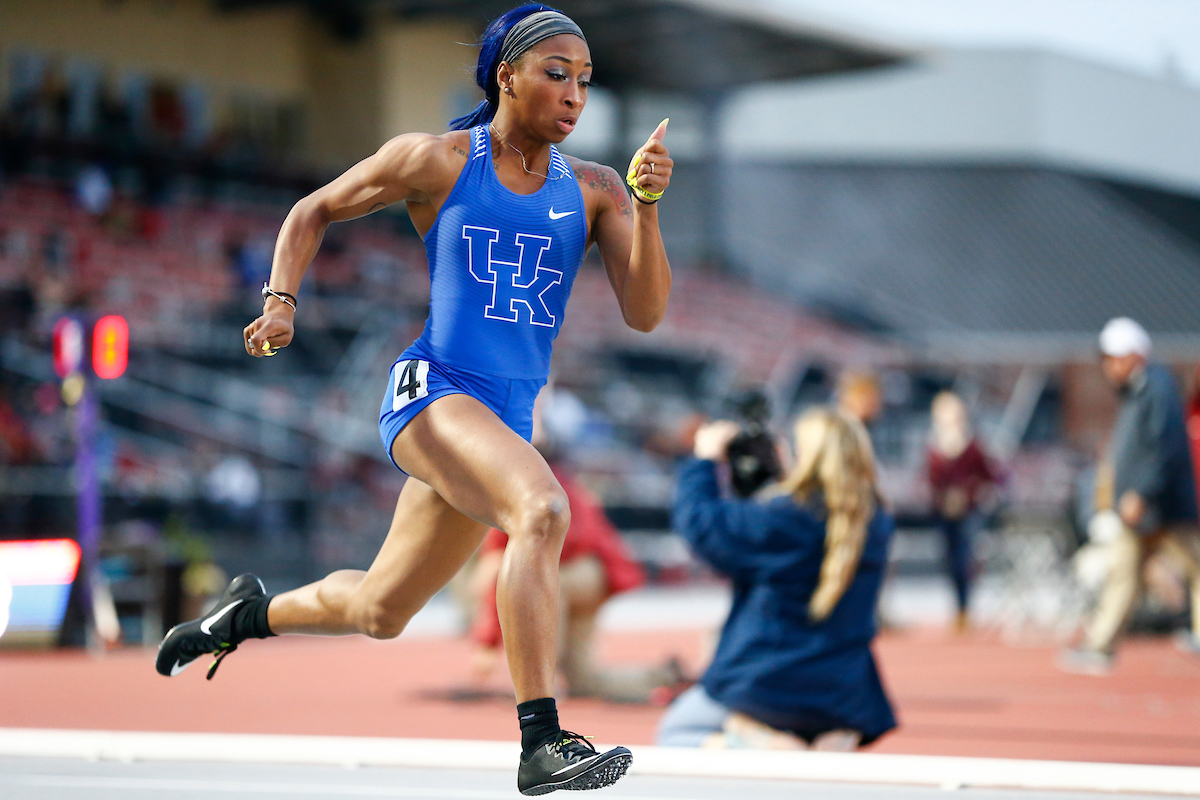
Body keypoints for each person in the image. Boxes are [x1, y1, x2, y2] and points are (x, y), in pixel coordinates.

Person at [155, 5, 674, 794]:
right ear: (507, 75)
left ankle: (243, 616)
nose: (575, 95)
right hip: (434, 393)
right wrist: (281, 302)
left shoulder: (597, 189)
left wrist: (646, 205)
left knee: (378, 611)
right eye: (557, 74)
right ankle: (542, 740)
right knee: (542, 509)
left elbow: (645, 313)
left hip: (500, 418)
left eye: (587, 82)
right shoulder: (436, 160)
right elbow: (312, 210)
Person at [656, 408, 896, 750]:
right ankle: (817, 741)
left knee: (676, 732)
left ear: (805, 457)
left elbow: (701, 524)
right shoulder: (876, 520)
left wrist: (704, 459)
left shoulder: (786, 519)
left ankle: (759, 744)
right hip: (844, 694)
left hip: (770, 683)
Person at [1060, 318, 1200, 673]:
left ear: (1134, 355)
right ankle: (1100, 645)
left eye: (1114, 357)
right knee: (1122, 573)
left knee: (1195, 566)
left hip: (1162, 507)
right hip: (1140, 511)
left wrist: (1141, 491)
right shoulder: (1139, 390)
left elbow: (1164, 446)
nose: (1108, 366)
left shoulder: (1158, 388)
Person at [926, 390, 999, 631]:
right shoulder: (934, 444)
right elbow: (930, 479)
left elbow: (989, 475)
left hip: (968, 509)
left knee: (964, 557)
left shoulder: (972, 444)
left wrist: (968, 490)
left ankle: (965, 608)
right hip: (943, 510)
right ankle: (958, 607)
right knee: (949, 558)